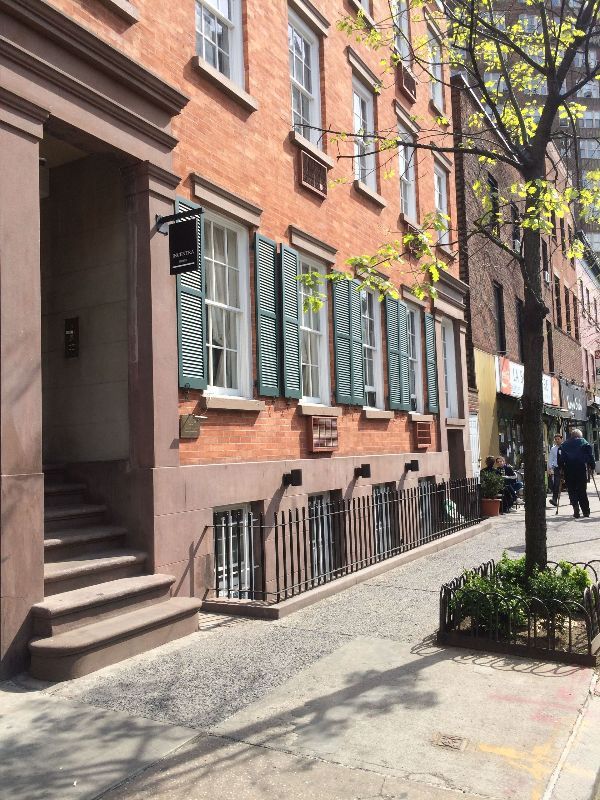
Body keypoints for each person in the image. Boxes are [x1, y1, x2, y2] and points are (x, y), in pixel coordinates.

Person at [557, 429, 595, 518]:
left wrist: (561, 467)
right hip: (581, 469)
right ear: (579, 436)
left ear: (571, 436)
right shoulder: (583, 442)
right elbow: (590, 455)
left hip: (568, 469)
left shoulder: (564, 444)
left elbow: (561, 458)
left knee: (571, 489)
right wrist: (592, 466)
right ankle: (585, 511)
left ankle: (575, 508)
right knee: (582, 490)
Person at [548, 434, 563, 507]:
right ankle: (554, 499)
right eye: (556, 439)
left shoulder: (565, 447)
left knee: (569, 483)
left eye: (558, 439)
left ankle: (572, 500)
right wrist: (550, 467)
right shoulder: (553, 449)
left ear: (561, 439)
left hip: (565, 467)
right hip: (557, 468)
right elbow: (550, 458)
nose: (557, 441)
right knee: (556, 483)